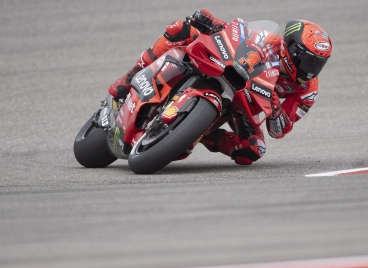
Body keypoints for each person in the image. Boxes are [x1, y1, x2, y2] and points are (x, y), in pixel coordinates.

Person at [108, 9, 332, 165]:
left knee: (252, 150)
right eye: (309, 61)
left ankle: (198, 133)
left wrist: (274, 110)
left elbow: (279, 130)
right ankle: (130, 76)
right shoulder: (269, 40)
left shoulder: (307, 89)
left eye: (318, 64)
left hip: (245, 104)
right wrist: (213, 23)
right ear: (291, 48)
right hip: (224, 68)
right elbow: (236, 34)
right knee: (181, 29)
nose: (311, 69)